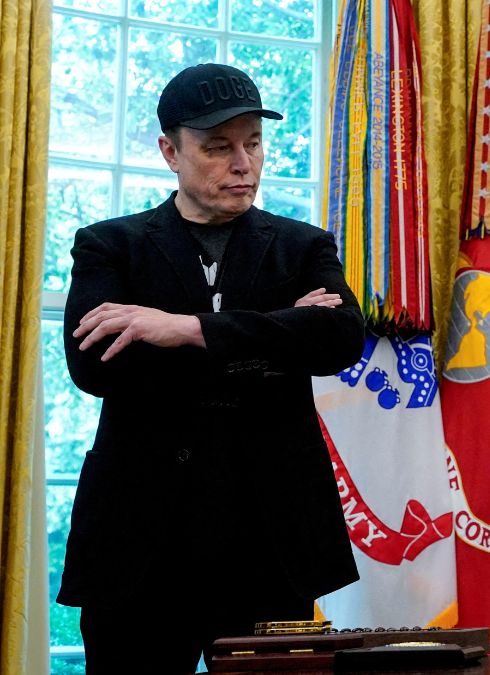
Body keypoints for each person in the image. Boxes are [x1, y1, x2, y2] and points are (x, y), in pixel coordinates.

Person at [56, 63, 366, 672]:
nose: (243, 163)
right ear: (171, 150)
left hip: (271, 539)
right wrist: (275, 335)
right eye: (218, 147)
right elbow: (95, 367)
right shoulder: (108, 245)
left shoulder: (304, 245)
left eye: (253, 143)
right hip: (138, 538)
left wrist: (182, 329)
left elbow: (337, 339)